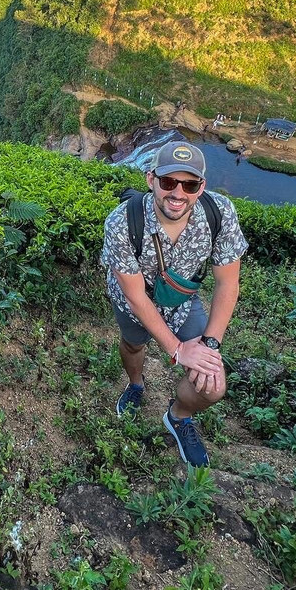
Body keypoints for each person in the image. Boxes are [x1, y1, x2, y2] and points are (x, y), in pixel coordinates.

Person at [100, 142, 248, 466]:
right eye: (168, 182)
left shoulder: (219, 213)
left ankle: (179, 416)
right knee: (133, 345)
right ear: (150, 179)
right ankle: (136, 384)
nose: (178, 193)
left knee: (213, 385)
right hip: (132, 305)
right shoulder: (121, 222)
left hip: (182, 303)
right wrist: (177, 349)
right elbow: (135, 294)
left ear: (201, 187)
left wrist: (209, 345)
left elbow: (227, 282)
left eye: (189, 184)